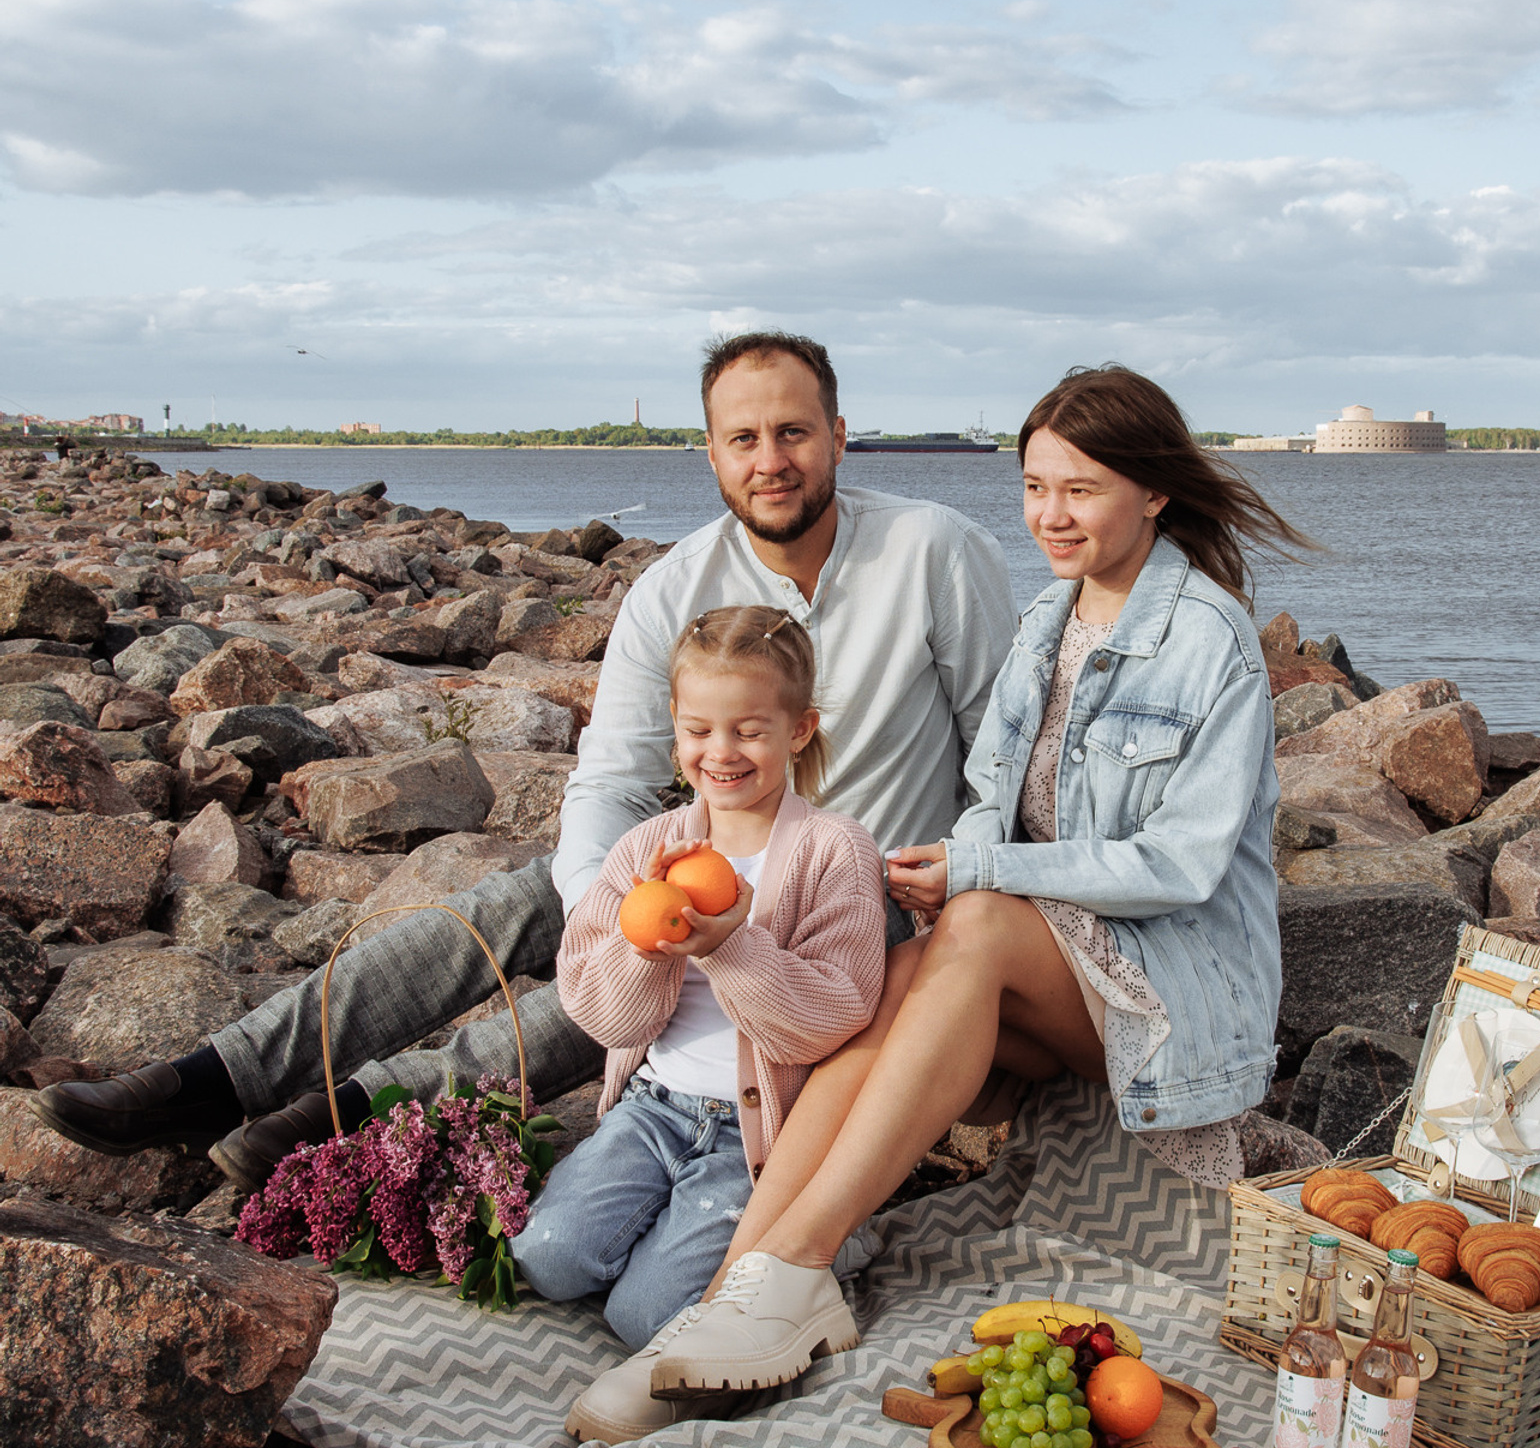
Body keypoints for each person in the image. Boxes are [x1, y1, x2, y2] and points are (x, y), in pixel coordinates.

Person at [34, 334, 1014, 1185]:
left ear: (839, 437)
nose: (773, 459)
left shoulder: (936, 552)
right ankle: (218, 1079)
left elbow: (1006, 753)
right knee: (538, 900)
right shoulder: (676, 586)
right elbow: (612, 777)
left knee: (651, 970)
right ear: (711, 454)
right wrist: (606, 908)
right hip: (720, 853)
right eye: (744, 438)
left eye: (795, 432)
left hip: (867, 899)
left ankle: (350, 1116)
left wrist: (966, 874)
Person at [644, 364, 1304, 1399]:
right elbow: (991, 794)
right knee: (909, 970)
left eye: (1080, 490)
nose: (1051, 515)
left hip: (1173, 991)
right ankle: (739, 1291)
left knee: (985, 917)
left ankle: (801, 1264)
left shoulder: (1208, 642)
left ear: (1155, 492)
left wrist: (978, 870)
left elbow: (1181, 865)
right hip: (1059, 969)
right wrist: (948, 869)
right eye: (1036, 487)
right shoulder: (1048, 621)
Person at [512, 605, 886, 1444]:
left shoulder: (835, 851)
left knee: (645, 1317)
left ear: (800, 730)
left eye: (749, 730)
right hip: (654, 1109)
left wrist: (734, 949)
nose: (722, 753)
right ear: (676, 732)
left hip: (755, 1138)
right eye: (699, 730)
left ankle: (830, 1243)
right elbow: (598, 1009)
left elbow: (833, 1017)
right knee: (547, 1257)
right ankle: (659, 1224)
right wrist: (651, 947)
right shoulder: (645, 848)